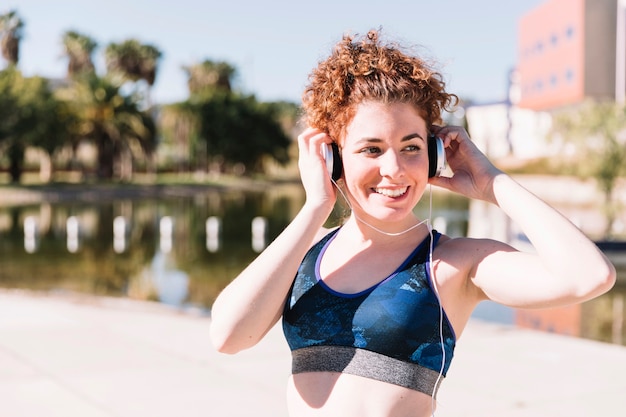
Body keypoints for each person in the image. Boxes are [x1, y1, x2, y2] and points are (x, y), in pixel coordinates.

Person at [209, 29, 616, 417]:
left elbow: (589, 277)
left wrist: (494, 184)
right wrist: (316, 204)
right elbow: (228, 336)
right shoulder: (306, 250)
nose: (395, 170)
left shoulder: (455, 263)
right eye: (371, 148)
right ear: (332, 156)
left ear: (435, 156)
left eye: (411, 147)